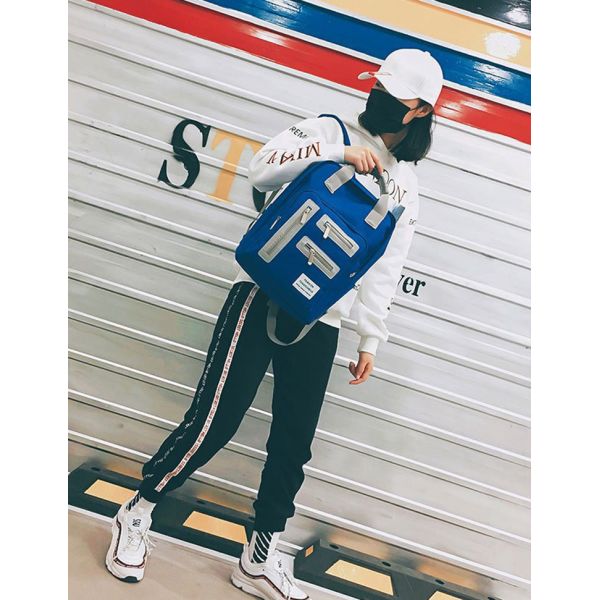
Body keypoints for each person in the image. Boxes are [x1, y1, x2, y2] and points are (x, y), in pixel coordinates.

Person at [104, 48, 443, 600]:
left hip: (321, 318)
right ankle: (137, 510)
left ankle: (258, 559)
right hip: (261, 293)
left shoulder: (407, 186)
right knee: (215, 419)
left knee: (292, 444)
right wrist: (336, 153)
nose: (378, 98)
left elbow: (386, 265)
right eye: (378, 87)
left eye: (392, 95)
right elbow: (261, 167)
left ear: (420, 111)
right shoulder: (328, 129)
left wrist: (369, 336)